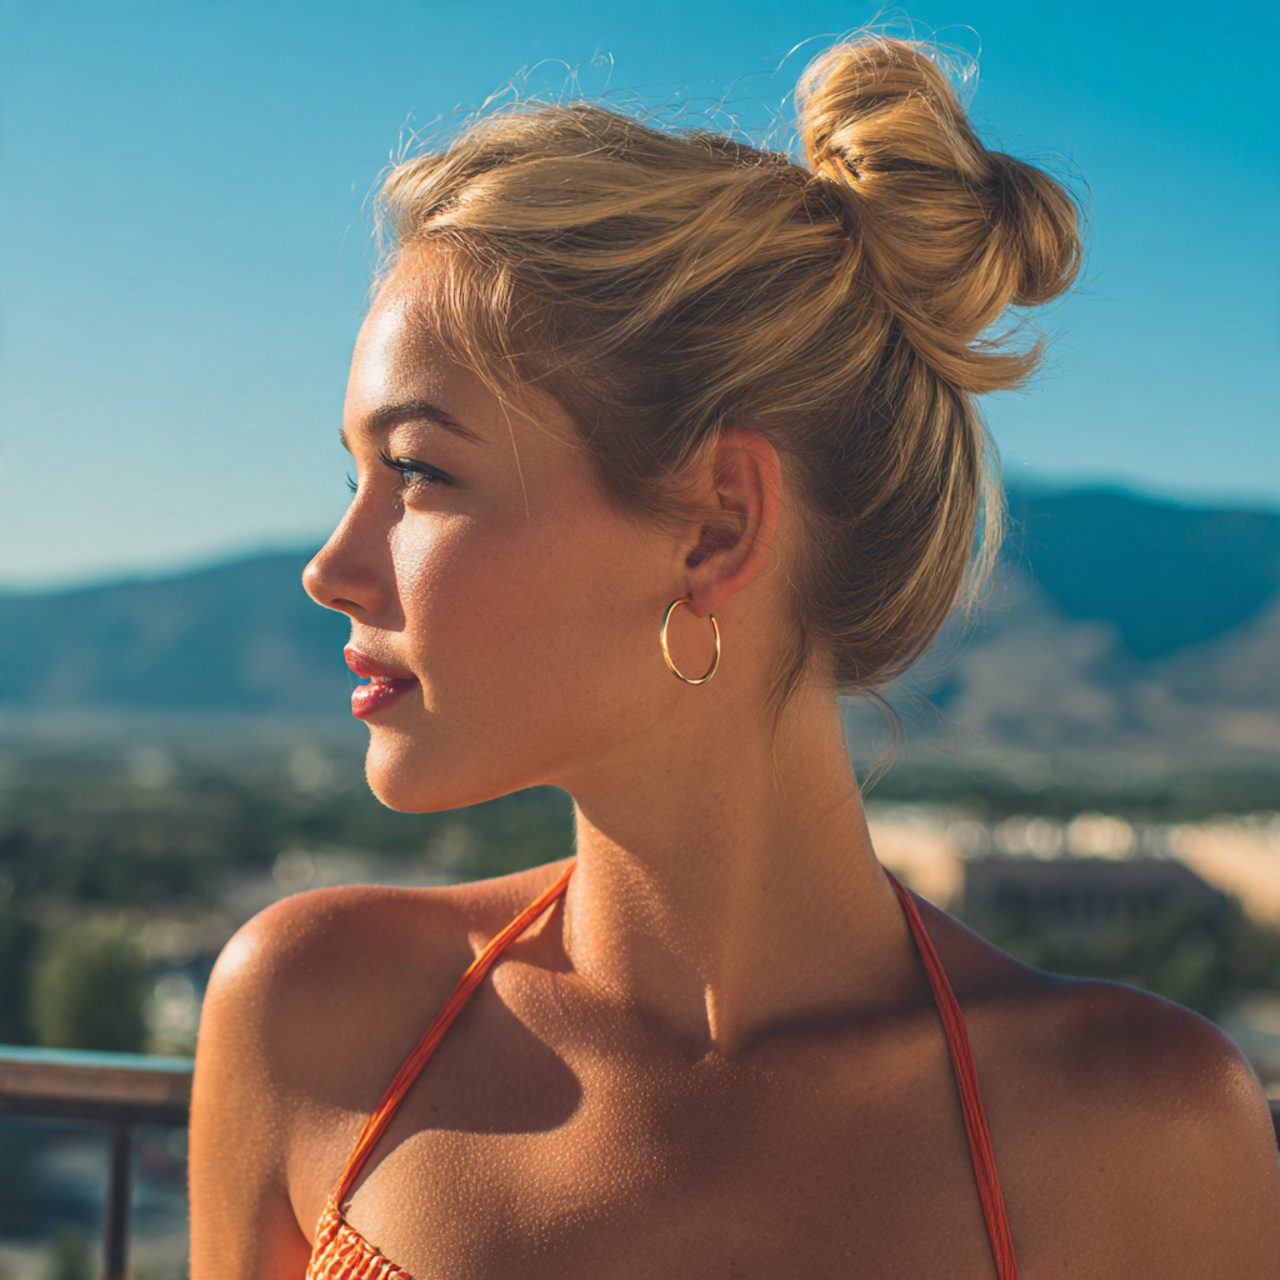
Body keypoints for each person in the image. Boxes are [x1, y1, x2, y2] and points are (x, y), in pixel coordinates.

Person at [189, 33, 1280, 1279]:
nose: (330, 566)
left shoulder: (1136, 1134)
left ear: (715, 526)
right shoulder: (313, 1013)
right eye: (357, 478)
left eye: (419, 472)